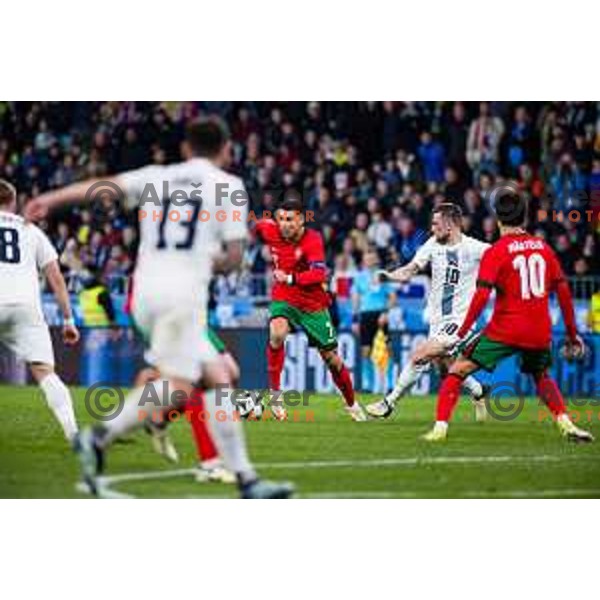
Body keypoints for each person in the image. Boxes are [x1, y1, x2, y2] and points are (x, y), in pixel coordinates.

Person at [26, 117, 294, 498]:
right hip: (182, 296)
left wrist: (50, 199)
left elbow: (102, 187)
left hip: (145, 292)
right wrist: (206, 260)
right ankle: (99, 437)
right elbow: (234, 258)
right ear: (225, 150)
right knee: (181, 386)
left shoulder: (156, 176)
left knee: (218, 375)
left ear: (185, 149)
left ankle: (247, 479)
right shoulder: (230, 187)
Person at [416, 193, 593, 442]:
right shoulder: (543, 248)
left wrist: (460, 332)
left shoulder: (496, 251)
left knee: (457, 370)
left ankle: (439, 430)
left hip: (506, 329)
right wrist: (573, 336)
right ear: (525, 218)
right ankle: (567, 424)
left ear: (498, 219)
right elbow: (564, 293)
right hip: (539, 330)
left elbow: (481, 297)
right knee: (541, 375)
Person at [366, 203, 489, 419]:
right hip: (437, 319)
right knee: (443, 369)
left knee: (419, 355)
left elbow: (505, 259)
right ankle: (479, 391)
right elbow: (411, 268)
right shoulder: (432, 244)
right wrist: (390, 275)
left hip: (461, 320)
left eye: (436, 224)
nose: (432, 229)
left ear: (450, 225)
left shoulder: (475, 248)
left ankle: (389, 402)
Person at [255, 197, 366, 421]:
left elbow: (319, 274)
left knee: (331, 359)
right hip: (284, 297)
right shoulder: (269, 229)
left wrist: (288, 277)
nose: (284, 224)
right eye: (281, 219)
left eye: (290, 220)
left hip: (312, 302)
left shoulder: (312, 239)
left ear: (302, 221)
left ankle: (352, 403)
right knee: (276, 334)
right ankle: (275, 395)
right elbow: (247, 223)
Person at [0, 179, 80, 443]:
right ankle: (73, 434)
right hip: (26, 307)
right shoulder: (31, 230)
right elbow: (56, 279)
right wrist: (68, 320)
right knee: (45, 372)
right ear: (12, 203)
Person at [351, 248, 395, 393]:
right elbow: (356, 298)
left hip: (380, 315)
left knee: (386, 350)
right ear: (364, 260)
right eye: (367, 258)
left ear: (376, 260)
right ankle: (367, 385)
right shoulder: (359, 277)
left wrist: (385, 312)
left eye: (372, 258)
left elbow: (392, 297)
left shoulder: (383, 275)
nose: (369, 261)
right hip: (365, 315)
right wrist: (355, 319)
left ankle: (390, 385)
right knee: (365, 351)